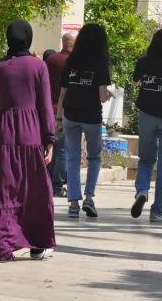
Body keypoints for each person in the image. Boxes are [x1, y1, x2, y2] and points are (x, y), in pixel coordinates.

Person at [0, 20, 56, 262]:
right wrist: (50, 139)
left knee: (4, 190)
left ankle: (4, 247)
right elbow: (45, 106)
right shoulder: (38, 66)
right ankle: (38, 243)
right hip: (31, 133)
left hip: (3, 131)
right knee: (36, 190)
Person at [56, 24, 112, 219]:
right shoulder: (101, 64)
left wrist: (58, 118)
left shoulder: (71, 61)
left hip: (71, 114)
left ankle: (73, 203)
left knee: (72, 156)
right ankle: (89, 198)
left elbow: (62, 94)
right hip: (91, 117)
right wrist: (109, 94)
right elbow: (102, 96)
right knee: (94, 157)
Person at [130, 29, 162, 222]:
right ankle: (157, 211)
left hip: (146, 113)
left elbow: (135, 80)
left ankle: (142, 190)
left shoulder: (144, 61)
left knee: (145, 159)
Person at [46, 32, 76, 197]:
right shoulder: (75, 62)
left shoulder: (51, 60)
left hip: (48, 108)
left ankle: (47, 181)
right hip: (65, 110)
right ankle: (57, 185)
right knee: (63, 149)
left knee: (49, 146)